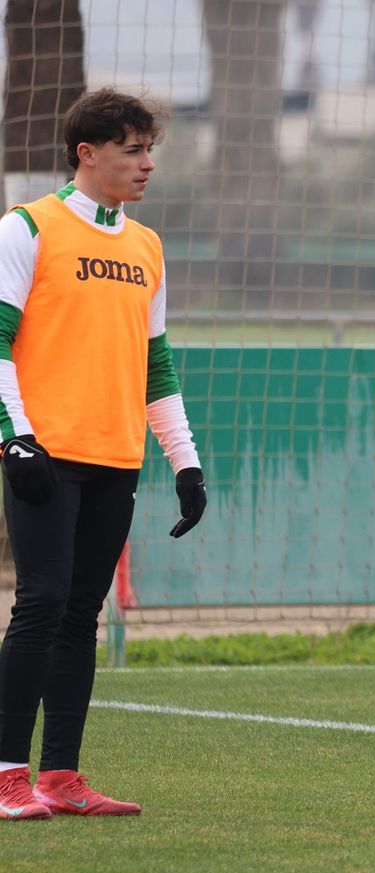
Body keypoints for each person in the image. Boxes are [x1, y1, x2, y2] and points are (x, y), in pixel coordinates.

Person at [0, 88, 206, 820]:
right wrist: (14, 436)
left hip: (117, 459)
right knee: (43, 602)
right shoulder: (27, 230)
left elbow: (157, 367)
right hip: (45, 456)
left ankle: (60, 776)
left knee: (81, 612)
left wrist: (184, 461)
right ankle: (5, 777)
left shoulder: (147, 246)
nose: (147, 164)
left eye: (150, 150)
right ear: (87, 154)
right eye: (133, 150)